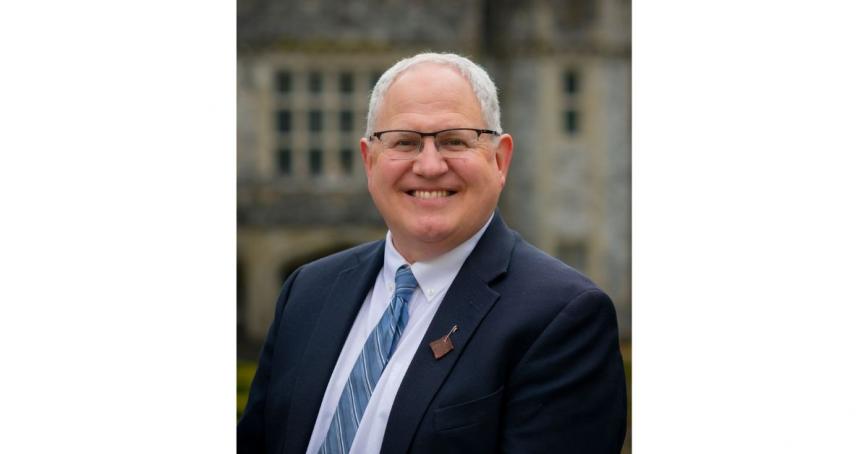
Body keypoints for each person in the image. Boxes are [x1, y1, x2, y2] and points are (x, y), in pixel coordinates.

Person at [237, 52, 626, 453]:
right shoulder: (308, 290)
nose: (428, 165)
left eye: (453, 140)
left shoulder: (563, 316)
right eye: (404, 142)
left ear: (499, 159)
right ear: (369, 161)